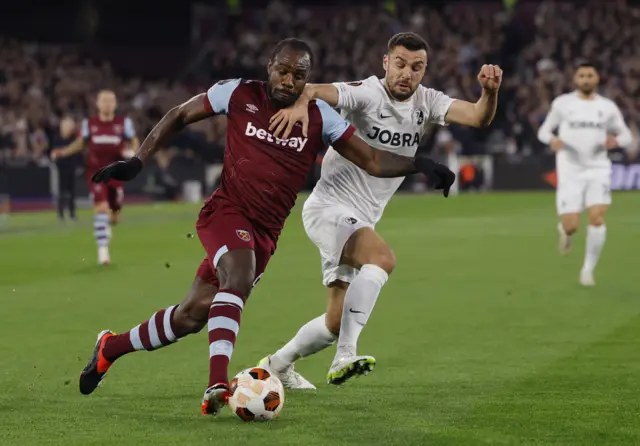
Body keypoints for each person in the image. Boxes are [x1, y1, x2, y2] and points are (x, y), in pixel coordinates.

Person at [78, 38, 455, 417]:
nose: (288, 81)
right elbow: (179, 113)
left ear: (308, 79)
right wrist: (138, 161)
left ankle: (110, 347)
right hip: (227, 212)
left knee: (191, 316)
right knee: (237, 279)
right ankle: (217, 383)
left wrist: (419, 164)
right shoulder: (238, 93)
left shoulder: (322, 117)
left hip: (266, 232)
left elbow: (372, 159)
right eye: (283, 71)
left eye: (299, 75)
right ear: (269, 66)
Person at [260, 32, 502, 388]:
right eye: (400, 64)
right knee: (382, 258)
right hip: (329, 207)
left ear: (425, 70)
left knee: (333, 321)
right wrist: (300, 103)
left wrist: (490, 92)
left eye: (416, 67)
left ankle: (275, 364)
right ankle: (345, 355)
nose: (407, 74)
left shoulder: (427, 101)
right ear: (386, 62)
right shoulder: (366, 93)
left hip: (362, 217)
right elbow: (311, 89)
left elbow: (479, 117)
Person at [537, 62, 633, 286]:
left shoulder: (607, 107)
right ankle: (566, 231)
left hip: (598, 168)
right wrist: (553, 140)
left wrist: (615, 141)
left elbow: (627, 135)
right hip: (570, 169)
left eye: (590, 75)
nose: (586, 79)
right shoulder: (563, 104)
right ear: (575, 79)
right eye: (582, 75)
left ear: (597, 78)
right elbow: (543, 131)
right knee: (572, 224)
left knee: (597, 217)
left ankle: (587, 270)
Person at [52, 90, 139, 265]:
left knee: (115, 214)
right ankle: (103, 252)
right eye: (104, 101)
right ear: (98, 104)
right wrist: (64, 151)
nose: (107, 104)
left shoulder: (123, 123)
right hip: (96, 171)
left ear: (115, 104)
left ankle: (109, 221)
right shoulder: (89, 124)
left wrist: (134, 153)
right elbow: (80, 143)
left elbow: (134, 140)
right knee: (100, 207)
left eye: (111, 101)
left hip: (117, 170)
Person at [51, 117, 82, 222]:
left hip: (71, 167)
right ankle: (61, 213)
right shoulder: (58, 138)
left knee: (72, 191)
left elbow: (77, 151)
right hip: (62, 167)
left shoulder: (73, 139)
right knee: (62, 192)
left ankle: (72, 213)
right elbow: (55, 152)